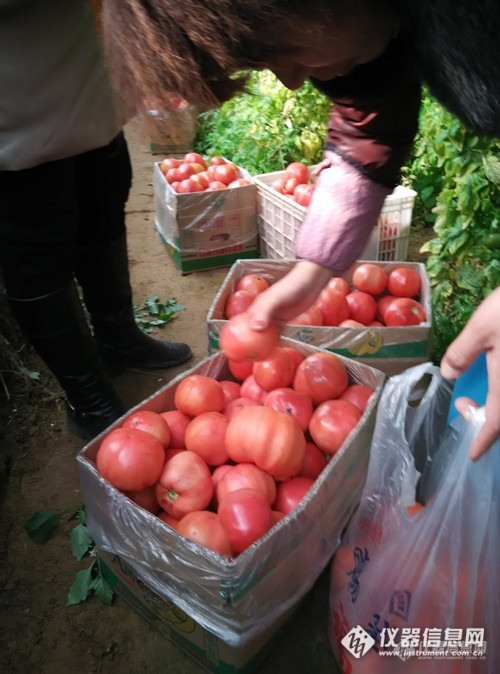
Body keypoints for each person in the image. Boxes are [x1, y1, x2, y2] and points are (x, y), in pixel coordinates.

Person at [96, 0, 500, 458]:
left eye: (285, 49)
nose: (292, 79)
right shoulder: (369, 35)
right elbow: (369, 116)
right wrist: (309, 276)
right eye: (267, 65)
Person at [0, 0, 192, 441]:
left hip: (87, 47)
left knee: (103, 187)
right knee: (38, 231)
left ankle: (118, 338)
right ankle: (88, 400)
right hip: (16, 62)